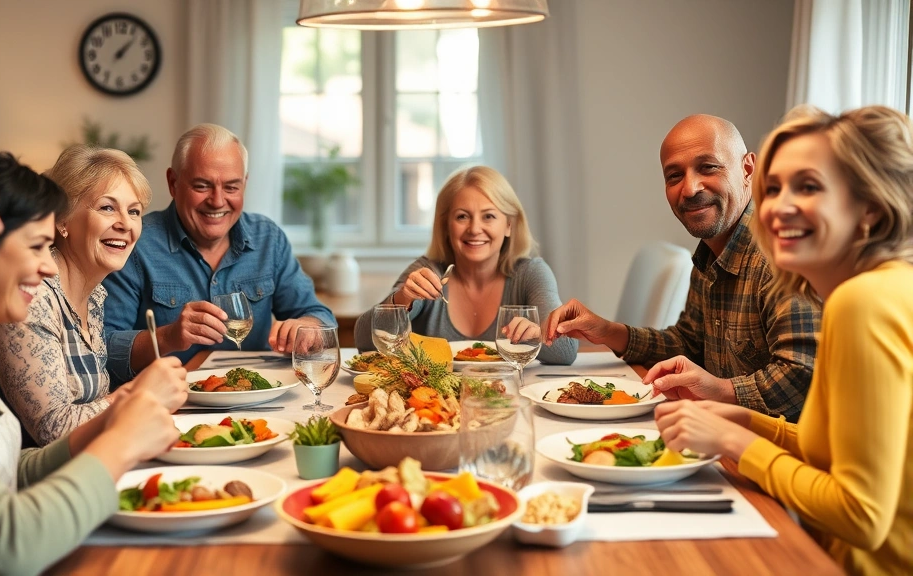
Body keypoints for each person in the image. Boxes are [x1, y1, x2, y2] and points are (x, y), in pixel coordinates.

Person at [0, 90, 180, 575]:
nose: (0, 223)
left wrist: (113, 422)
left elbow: (3, 475)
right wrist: (123, 438)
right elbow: (2, 549)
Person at [655, 105, 913, 575]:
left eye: (809, 187)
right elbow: (837, 453)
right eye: (774, 189)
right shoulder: (873, 290)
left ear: (869, 207)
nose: (777, 207)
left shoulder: (864, 302)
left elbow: (862, 516)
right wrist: (751, 423)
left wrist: (734, 440)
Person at [544, 114, 820, 420]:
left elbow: (802, 377)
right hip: (724, 435)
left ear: (747, 169)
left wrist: (718, 391)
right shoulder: (710, 253)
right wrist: (607, 331)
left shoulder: (780, 255)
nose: (689, 189)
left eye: (708, 167)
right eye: (674, 176)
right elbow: (688, 343)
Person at [0, 144, 178, 446]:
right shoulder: (33, 295)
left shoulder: (94, 297)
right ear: (62, 221)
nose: (125, 224)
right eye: (107, 207)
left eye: (134, 211)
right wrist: (139, 395)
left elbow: (90, 404)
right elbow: (52, 429)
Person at [103, 124, 335, 385]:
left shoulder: (269, 239)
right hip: (171, 404)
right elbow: (104, 349)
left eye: (231, 187)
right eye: (202, 186)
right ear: (173, 183)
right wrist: (168, 337)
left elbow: (318, 315)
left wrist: (308, 327)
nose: (217, 201)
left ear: (244, 184)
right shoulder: (135, 243)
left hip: (259, 397)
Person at [354, 165, 578, 365]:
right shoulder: (429, 271)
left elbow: (566, 351)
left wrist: (536, 334)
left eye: (488, 216)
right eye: (462, 217)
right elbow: (364, 340)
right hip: (435, 403)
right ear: (446, 226)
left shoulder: (531, 274)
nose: (474, 229)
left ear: (509, 225)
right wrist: (403, 299)